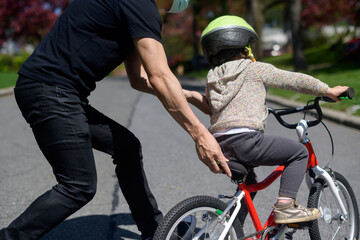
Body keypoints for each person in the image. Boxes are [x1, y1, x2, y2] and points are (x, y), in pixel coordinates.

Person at [0, 0, 232, 239]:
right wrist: (200, 135)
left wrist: (189, 95)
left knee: (127, 147)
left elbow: (139, 78)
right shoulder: (142, 4)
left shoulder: (136, 9)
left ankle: (154, 231)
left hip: (53, 89)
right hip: (51, 89)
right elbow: (160, 75)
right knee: (77, 186)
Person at [200, 15, 349, 224]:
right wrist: (327, 90)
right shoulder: (254, 68)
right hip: (246, 141)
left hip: (219, 145)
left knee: (249, 184)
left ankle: (232, 230)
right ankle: (285, 206)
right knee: (298, 153)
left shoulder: (213, 77)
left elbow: (213, 106)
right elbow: (293, 80)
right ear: (246, 46)